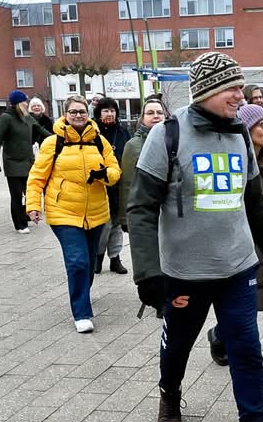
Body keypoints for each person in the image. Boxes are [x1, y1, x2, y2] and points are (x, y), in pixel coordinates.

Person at [127, 52, 263, 422]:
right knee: (177, 346)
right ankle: (169, 394)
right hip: (183, 272)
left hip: (237, 269)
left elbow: (252, 200)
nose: (241, 96)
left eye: (242, 87)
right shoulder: (166, 135)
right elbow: (141, 209)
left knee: (246, 350)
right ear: (205, 92)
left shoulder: (240, 134)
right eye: (232, 89)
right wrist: (148, 273)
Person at [205, 104, 263, 390]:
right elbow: (220, 210)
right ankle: (219, 335)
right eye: (261, 124)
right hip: (244, 246)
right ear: (246, 130)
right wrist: (252, 208)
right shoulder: (234, 163)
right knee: (243, 310)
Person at [25, 95, 121, 334]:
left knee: (88, 263)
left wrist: (103, 175)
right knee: (77, 261)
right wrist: (33, 206)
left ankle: (82, 293)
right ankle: (82, 313)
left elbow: (115, 170)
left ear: (88, 114)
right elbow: (37, 177)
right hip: (64, 212)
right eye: (73, 112)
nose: (78, 115)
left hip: (96, 213)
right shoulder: (53, 143)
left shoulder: (99, 142)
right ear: (65, 114)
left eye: (82, 111)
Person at [120, 97, 169, 317]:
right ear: (143, 118)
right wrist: (125, 217)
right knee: (153, 254)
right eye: (150, 113)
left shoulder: (173, 140)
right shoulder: (133, 146)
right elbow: (128, 184)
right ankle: (161, 301)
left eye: (159, 112)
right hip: (147, 212)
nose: (156, 116)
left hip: (170, 212)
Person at [0, 90, 52, 234]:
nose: (27, 103)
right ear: (18, 103)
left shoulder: (27, 117)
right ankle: (20, 224)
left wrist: (57, 139)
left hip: (28, 161)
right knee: (17, 194)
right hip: (13, 162)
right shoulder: (6, 118)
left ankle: (26, 215)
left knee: (29, 192)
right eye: (25, 101)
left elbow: (41, 130)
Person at [92, 96, 131, 275]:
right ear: (99, 113)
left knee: (116, 224)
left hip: (119, 186)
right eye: (106, 110)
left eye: (113, 110)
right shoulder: (92, 132)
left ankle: (115, 258)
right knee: (104, 225)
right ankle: (97, 257)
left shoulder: (123, 132)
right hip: (100, 185)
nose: (110, 114)